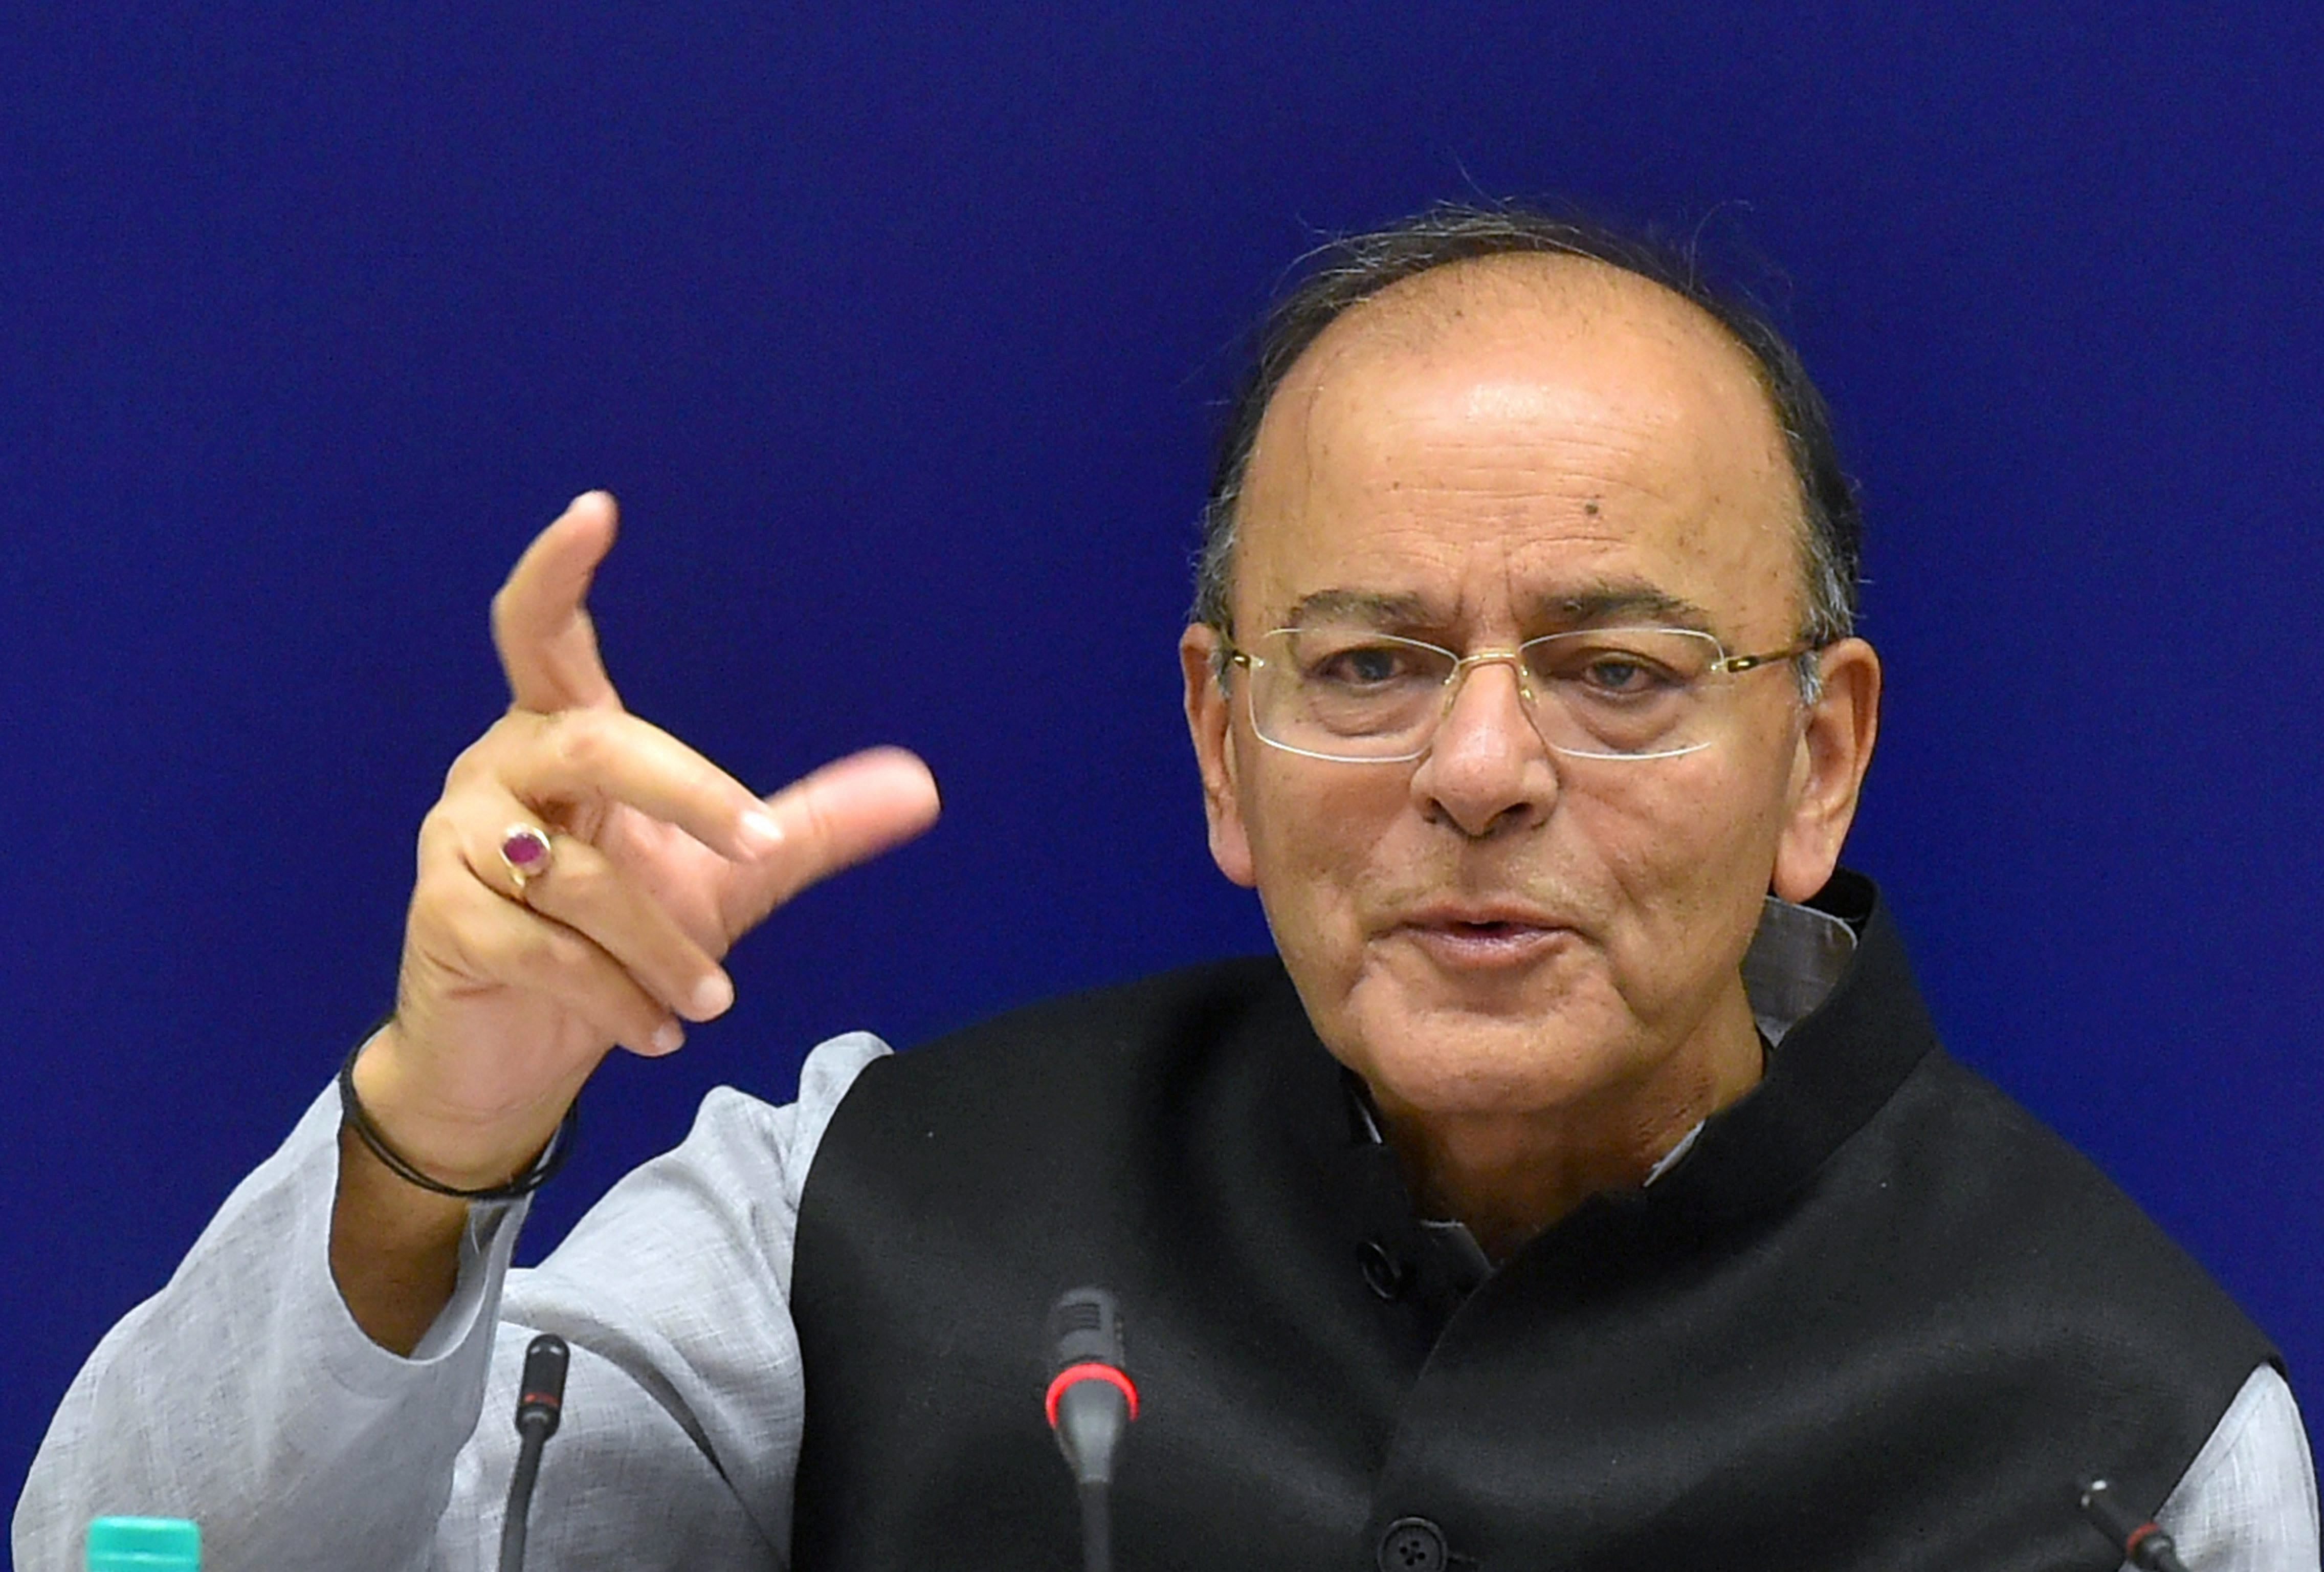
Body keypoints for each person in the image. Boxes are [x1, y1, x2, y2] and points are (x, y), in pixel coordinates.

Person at [16, 208, 2316, 1569]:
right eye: (1370, 665)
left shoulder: (2123, 1426)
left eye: (1615, 670)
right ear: (1222, 750)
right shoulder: (845, 1218)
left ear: (1812, 760)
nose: (1480, 769)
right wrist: (443, 1123)